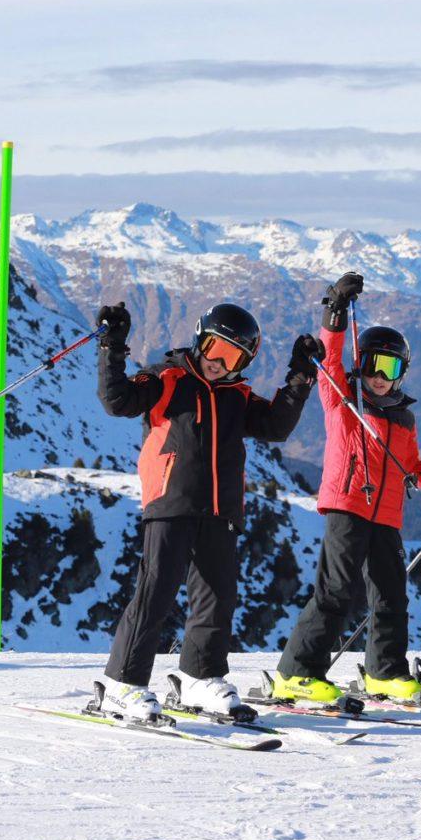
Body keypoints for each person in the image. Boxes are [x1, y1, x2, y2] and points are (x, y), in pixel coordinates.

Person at [95, 300, 322, 722]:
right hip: (171, 499)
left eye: (234, 356)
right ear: (200, 338)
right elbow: (118, 400)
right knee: (156, 590)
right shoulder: (169, 377)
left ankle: (200, 677)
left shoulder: (237, 395)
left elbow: (275, 426)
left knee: (217, 597)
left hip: (221, 508)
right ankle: (121, 685)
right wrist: (112, 345)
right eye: (216, 349)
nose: (220, 363)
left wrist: (300, 375)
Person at [274, 272, 421, 704]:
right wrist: (335, 310)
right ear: (362, 365)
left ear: (401, 373)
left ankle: (384, 672)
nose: (379, 377)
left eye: (389, 368)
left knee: (391, 596)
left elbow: (411, 469)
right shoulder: (342, 400)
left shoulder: (402, 419)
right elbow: (329, 360)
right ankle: (297, 672)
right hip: (348, 506)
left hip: (386, 514)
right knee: (335, 591)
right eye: (372, 365)